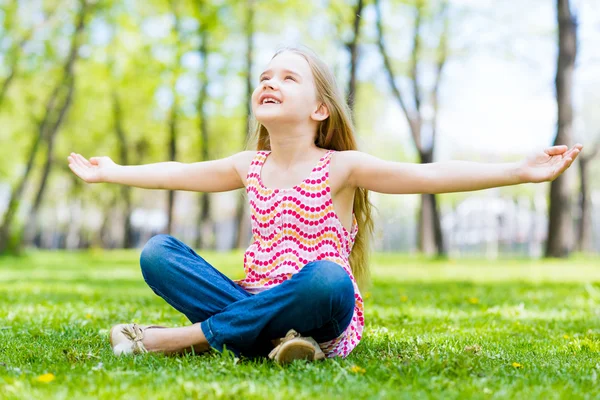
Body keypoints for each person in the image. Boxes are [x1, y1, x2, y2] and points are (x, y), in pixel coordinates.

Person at [67, 46, 583, 364]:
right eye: (265, 77)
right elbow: (178, 174)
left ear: (319, 109)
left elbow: (426, 176)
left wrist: (518, 170)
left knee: (328, 278)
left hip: (321, 307)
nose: (270, 82)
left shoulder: (341, 167)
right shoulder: (249, 164)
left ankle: (183, 339)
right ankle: (278, 343)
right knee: (158, 251)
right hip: (256, 298)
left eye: (288, 78)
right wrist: (111, 171)